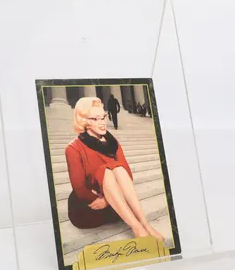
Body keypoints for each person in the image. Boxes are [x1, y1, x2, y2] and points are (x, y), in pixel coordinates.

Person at [64, 97, 164, 241]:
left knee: (117, 168)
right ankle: (137, 228)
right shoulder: (73, 148)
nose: (103, 122)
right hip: (88, 207)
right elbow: (80, 189)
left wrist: (108, 200)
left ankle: (145, 225)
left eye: (103, 117)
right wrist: (103, 199)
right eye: (96, 119)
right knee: (106, 170)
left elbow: (127, 174)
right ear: (84, 121)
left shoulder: (112, 142)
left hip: (115, 204)